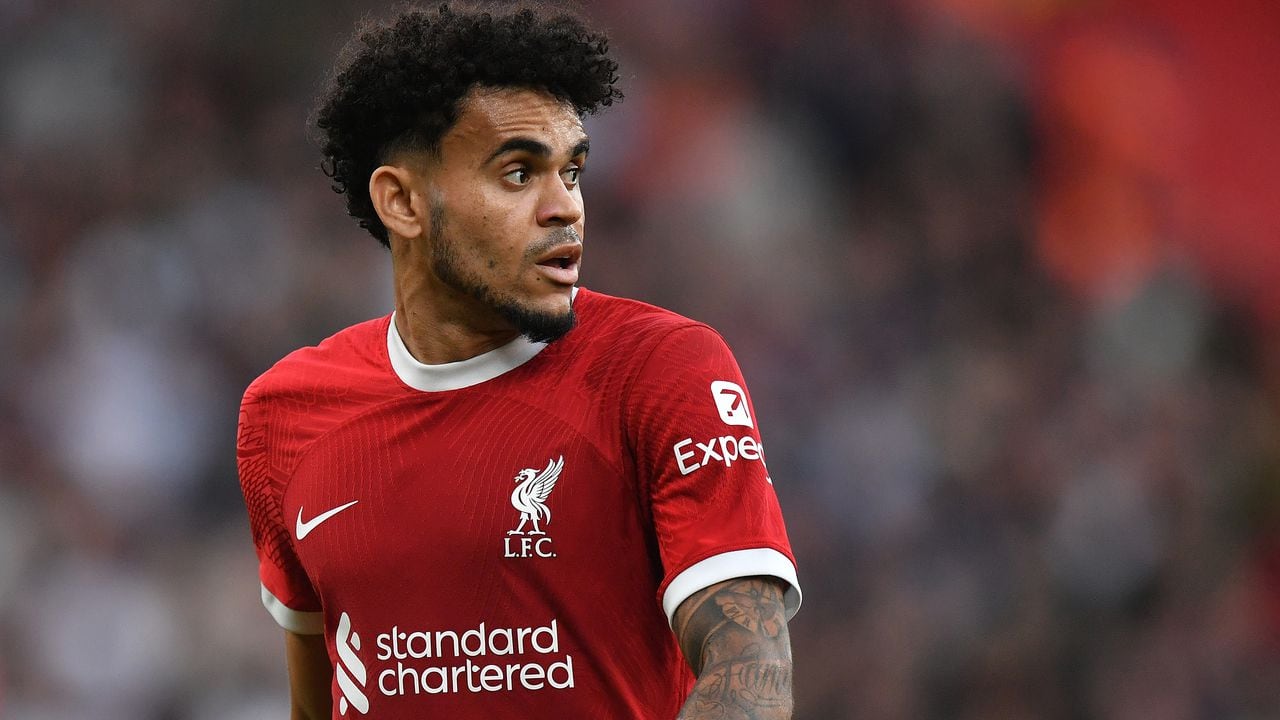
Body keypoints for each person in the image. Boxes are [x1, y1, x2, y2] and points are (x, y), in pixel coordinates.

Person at [236, 3, 801, 718]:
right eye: (517, 173)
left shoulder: (660, 369)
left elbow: (750, 670)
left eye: (573, 171)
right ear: (402, 201)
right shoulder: (282, 415)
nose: (565, 207)